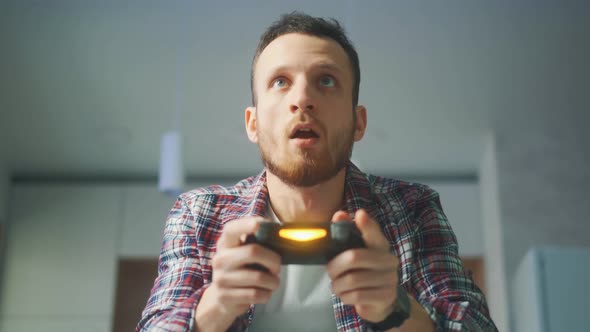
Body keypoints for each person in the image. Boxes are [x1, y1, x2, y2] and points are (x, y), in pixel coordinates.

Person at [136, 12, 497, 332]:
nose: (302, 99)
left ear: (358, 122)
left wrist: (394, 308)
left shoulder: (413, 208)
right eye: (280, 81)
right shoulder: (199, 215)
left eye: (326, 80)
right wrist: (216, 306)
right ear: (253, 123)